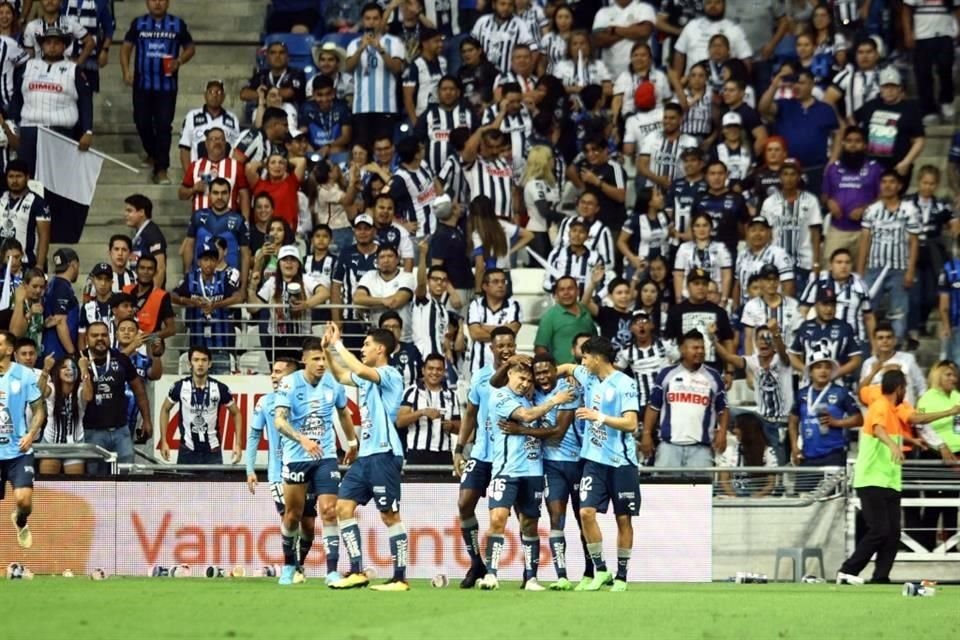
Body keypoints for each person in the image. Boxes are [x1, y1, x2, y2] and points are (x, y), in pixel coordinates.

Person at [836, 370, 960, 585]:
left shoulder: (893, 409)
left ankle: (881, 576)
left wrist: (911, 442)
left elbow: (899, 426)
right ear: (900, 388)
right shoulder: (880, 405)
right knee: (880, 529)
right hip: (871, 478)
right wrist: (894, 445)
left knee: (893, 533)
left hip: (889, 478)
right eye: (905, 389)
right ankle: (847, 571)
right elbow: (877, 428)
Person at [320, 322, 408, 591]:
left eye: (367, 344)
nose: (363, 348)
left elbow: (356, 369)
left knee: (389, 515)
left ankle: (400, 577)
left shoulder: (390, 374)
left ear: (380, 349)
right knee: (342, 508)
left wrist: (338, 344)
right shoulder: (367, 377)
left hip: (385, 453)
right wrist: (326, 351)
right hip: (365, 455)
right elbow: (340, 376)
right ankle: (357, 571)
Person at [475, 359, 574, 591]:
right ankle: (491, 574)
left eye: (528, 380)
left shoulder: (531, 396)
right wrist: (555, 401)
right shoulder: (500, 397)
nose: (525, 383)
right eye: (521, 378)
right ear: (509, 374)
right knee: (498, 519)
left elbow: (548, 375)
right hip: (506, 470)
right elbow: (527, 416)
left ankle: (531, 578)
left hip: (534, 471)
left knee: (530, 525)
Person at [271, 339, 357, 586]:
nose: (321, 363)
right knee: (293, 515)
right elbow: (279, 421)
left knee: (330, 511)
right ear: (304, 360)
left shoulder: (333, 383)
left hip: (325, 456)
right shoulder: (289, 383)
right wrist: (302, 440)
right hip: (297, 457)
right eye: (316, 359)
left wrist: (352, 443)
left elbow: (343, 412)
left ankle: (331, 570)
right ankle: (289, 565)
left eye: (324, 358)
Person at [453, 325, 517, 588]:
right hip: (481, 453)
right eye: (500, 346)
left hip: (510, 456)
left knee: (503, 515)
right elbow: (470, 414)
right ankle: (476, 562)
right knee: (464, 503)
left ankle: (506, 571)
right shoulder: (480, 377)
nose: (505, 350)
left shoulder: (522, 373)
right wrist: (459, 448)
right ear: (491, 348)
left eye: (509, 345)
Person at [120, 0, 195, 185]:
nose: (158, 3)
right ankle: (153, 154)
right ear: (147, 2)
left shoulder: (177, 24)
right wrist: (126, 71)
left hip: (167, 87)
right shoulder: (138, 23)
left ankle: (161, 169)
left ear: (168, 3)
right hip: (142, 85)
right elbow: (125, 48)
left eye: (162, 0)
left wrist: (179, 61)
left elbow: (190, 48)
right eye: (153, 0)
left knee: (163, 126)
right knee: (142, 122)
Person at [9, 26, 93, 177]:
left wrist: (87, 131)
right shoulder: (28, 66)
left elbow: (86, 102)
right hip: (29, 131)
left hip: (61, 132)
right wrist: (11, 125)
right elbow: (16, 99)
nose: (52, 46)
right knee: (29, 177)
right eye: (48, 42)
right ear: (42, 45)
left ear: (64, 46)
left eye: (57, 43)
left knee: (58, 179)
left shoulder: (74, 69)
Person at [644, 329, 728, 468]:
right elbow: (653, 407)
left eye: (702, 348)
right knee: (664, 489)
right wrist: (646, 434)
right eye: (695, 348)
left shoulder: (714, 377)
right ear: (682, 349)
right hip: (668, 446)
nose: (700, 351)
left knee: (701, 490)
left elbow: (723, 408)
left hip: (701, 448)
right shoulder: (666, 374)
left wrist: (723, 432)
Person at [857, 170, 921, 344]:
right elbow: (865, 240)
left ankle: (897, 347)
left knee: (898, 311)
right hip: (874, 268)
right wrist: (860, 271)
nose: (887, 185)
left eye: (891, 182)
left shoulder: (909, 210)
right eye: (883, 181)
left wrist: (910, 271)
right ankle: (867, 346)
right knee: (866, 309)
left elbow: (914, 242)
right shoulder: (871, 210)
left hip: (899, 268)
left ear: (899, 186)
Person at [80, 321, 151, 474]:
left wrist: (146, 420)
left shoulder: (121, 359)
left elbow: (139, 390)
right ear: (87, 339)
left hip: (121, 430)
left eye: (104, 335)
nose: (100, 338)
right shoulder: (78, 360)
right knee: (95, 481)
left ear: (110, 337)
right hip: (92, 432)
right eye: (95, 335)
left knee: (125, 480)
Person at [758, 69, 840, 195]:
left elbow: (838, 135)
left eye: (801, 83)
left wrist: (833, 160)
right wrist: (774, 86)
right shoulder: (784, 105)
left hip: (816, 169)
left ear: (812, 84)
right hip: (787, 171)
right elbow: (763, 108)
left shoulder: (825, 109)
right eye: (794, 83)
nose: (796, 86)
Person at [158, 345, 241, 465]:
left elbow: (236, 413)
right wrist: (164, 441)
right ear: (190, 363)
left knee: (216, 485)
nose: (200, 364)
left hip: (213, 452)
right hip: (187, 451)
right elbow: (165, 409)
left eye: (204, 360)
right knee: (183, 484)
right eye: (196, 360)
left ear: (210, 363)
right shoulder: (180, 387)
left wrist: (237, 444)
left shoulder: (219, 388)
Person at [0, 330, 44, 548]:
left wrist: (31, 433)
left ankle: (20, 519)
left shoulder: (25, 376)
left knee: (24, 502)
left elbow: (39, 410)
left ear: (9, 350)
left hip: (18, 450)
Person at [788, 350, 863, 475]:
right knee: (803, 493)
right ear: (810, 372)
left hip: (833, 454)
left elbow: (859, 419)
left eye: (827, 367)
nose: (823, 371)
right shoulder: (801, 394)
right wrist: (795, 448)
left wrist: (836, 422)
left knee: (832, 494)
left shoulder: (841, 392)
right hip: (807, 455)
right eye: (818, 367)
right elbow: (792, 422)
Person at [171, 244, 243, 372]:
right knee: (198, 383)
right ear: (199, 262)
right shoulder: (191, 278)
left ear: (216, 262)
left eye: (212, 259)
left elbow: (238, 297)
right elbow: (172, 295)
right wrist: (188, 301)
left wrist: (216, 305)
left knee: (222, 381)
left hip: (220, 344)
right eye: (205, 260)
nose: (209, 263)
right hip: (197, 345)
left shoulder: (223, 278)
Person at [345, 3, 405, 152]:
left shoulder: (394, 42)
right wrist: (360, 49)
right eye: (368, 18)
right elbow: (348, 67)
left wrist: (379, 49)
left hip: (386, 108)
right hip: (361, 108)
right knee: (363, 151)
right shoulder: (354, 44)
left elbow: (397, 68)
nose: (371, 22)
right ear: (363, 21)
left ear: (381, 20)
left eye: (375, 18)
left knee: (384, 151)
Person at [758, 160, 823, 291]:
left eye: (793, 174)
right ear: (780, 177)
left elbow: (815, 234)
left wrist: (816, 262)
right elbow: (766, 234)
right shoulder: (769, 202)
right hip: (776, 261)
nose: (789, 178)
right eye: (785, 174)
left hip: (804, 261)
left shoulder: (811, 200)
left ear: (799, 177)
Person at [854, 67, 925, 182]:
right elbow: (851, 121)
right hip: (871, 166)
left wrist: (906, 162)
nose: (889, 90)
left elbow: (919, 140)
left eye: (893, 87)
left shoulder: (910, 109)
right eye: (886, 87)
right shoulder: (870, 106)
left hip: (897, 167)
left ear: (900, 89)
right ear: (880, 89)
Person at [182, 178, 252, 292]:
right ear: (209, 195)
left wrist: (243, 287)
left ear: (230, 195)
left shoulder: (239, 220)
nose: (220, 197)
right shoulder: (198, 216)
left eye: (224, 193)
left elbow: (245, 255)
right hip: (199, 283)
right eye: (215, 193)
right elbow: (189, 246)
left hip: (229, 285)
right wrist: (186, 275)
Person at [664, 267, 734, 376]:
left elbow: (728, 342)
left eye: (704, 284)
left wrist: (729, 371)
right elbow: (669, 343)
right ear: (688, 286)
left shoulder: (719, 312)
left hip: (713, 370)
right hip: (683, 371)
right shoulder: (675, 312)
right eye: (696, 283)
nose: (700, 287)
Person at [396, 352, 460, 465]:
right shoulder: (411, 392)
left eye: (439, 369)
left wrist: (451, 426)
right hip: (417, 452)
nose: (434, 372)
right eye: (431, 368)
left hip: (444, 453)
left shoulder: (452, 395)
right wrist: (422, 412)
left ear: (444, 372)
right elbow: (400, 422)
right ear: (423, 370)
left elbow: (460, 427)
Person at [788, 286, 863, 379]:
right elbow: (792, 354)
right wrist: (806, 370)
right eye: (825, 304)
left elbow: (856, 359)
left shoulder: (845, 328)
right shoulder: (805, 327)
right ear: (815, 306)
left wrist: (836, 373)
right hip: (809, 384)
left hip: (837, 383)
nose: (829, 309)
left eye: (832, 305)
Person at [904, 0, 956, 124]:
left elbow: (957, 8)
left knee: (946, 68)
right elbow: (906, 11)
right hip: (922, 35)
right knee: (923, 73)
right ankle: (928, 110)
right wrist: (908, 33)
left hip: (945, 33)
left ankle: (946, 101)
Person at [180, 127, 251, 218]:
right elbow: (181, 194)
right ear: (206, 143)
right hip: (201, 224)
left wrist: (245, 222)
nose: (217, 142)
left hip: (228, 224)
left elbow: (244, 196)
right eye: (213, 139)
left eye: (221, 139)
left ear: (225, 143)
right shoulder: (195, 166)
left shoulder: (236, 166)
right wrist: (193, 189)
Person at [672, 0, 752, 75]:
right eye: (709, 2)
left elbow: (745, 59)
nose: (713, 6)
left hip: (725, 86)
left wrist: (742, 83)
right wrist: (677, 81)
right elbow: (679, 53)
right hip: (692, 82)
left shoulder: (735, 29)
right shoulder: (692, 26)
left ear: (724, 5)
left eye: (717, 2)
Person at [467, 268, 523, 372]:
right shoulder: (475, 305)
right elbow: (475, 334)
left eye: (503, 281)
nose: (501, 285)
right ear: (485, 286)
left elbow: (511, 333)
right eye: (495, 282)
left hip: (507, 369)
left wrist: (485, 327)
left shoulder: (514, 306)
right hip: (479, 367)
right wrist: (502, 329)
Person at [38, 356, 86, 476]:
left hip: (75, 445)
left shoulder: (81, 389)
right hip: (51, 444)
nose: (69, 370)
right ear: (58, 372)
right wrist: (45, 369)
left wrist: (85, 370)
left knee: (75, 489)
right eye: (64, 367)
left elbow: (89, 396)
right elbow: (39, 393)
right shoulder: (52, 388)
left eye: (73, 367)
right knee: (47, 488)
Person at [733, 215, 795, 308]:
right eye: (753, 230)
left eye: (762, 230)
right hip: (746, 310)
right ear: (747, 233)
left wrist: (783, 309)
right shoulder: (742, 255)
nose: (757, 234)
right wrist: (736, 306)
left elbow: (788, 285)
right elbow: (737, 284)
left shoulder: (779, 254)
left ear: (769, 233)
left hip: (771, 308)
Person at [739, 264, 803, 355]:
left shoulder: (793, 305)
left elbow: (798, 336)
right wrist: (749, 364)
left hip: (787, 361)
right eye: (767, 279)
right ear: (760, 282)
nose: (771, 283)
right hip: (760, 362)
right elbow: (748, 338)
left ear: (779, 281)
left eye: (774, 279)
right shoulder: (751, 306)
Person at [178, 80, 241, 171]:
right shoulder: (192, 116)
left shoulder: (232, 119)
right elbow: (184, 148)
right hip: (199, 172)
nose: (214, 95)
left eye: (218, 92)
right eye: (211, 91)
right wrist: (190, 176)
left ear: (223, 96)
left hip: (225, 173)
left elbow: (237, 151)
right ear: (205, 95)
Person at [672, 211, 733, 304]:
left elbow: (726, 275)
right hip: (688, 298)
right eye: (697, 225)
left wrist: (724, 299)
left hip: (714, 297)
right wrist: (678, 299)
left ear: (711, 228)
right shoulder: (684, 248)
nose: (701, 229)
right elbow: (678, 275)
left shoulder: (721, 248)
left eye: (705, 225)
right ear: (692, 228)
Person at [859, 322, 927, 405]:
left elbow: (921, 386)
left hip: (904, 412)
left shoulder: (908, 359)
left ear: (895, 340)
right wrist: (873, 372)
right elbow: (861, 393)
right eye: (880, 338)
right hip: (879, 413)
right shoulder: (868, 363)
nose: (885, 341)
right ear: (874, 341)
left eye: (889, 337)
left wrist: (921, 408)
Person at [535, 276, 598, 365]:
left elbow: (596, 341)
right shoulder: (550, 316)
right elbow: (540, 348)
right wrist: (554, 369)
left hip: (589, 370)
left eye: (570, 288)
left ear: (578, 291)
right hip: (562, 373)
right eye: (562, 289)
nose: (566, 292)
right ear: (556, 294)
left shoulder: (586, 311)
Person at [715, 413, 778, 498]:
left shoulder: (768, 452)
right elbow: (724, 481)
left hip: (757, 498)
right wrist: (736, 499)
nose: (734, 430)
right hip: (733, 497)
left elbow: (770, 484)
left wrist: (753, 499)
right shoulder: (730, 450)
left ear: (747, 430)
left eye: (737, 427)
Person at [0, 159, 49, 269]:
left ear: (27, 177)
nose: (14, 180)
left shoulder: (38, 202)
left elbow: (44, 236)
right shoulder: (1, 197)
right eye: (11, 176)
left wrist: (40, 266)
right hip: (2, 264)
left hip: (26, 264)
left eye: (19, 176)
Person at [823, 37, 882, 122]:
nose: (865, 56)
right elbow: (827, 101)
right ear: (855, 55)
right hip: (854, 129)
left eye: (869, 52)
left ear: (877, 55)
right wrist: (841, 124)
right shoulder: (847, 75)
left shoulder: (885, 74)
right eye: (860, 52)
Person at [122, 254, 176, 341]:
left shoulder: (162, 296)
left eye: (150, 269)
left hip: (148, 346)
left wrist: (151, 337)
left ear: (155, 272)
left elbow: (171, 329)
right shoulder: (126, 291)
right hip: (125, 342)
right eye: (142, 268)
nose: (145, 272)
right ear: (136, 270)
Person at [41, 248, 80, 359]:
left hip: (50, 347)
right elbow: (60, 322)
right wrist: (71, 352)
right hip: (58, 351)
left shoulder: (53, 284)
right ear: (74, 264)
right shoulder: (62, 287)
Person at [123, 194, 167, 288]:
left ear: (142, 212)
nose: (125, 214)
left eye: (130, 211)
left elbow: (160, 268)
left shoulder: (152, 233)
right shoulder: (141, 232)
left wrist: (153, 296)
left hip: (149, 293)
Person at [81, 235, 136, 303]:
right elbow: (86, 303)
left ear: (130, 254)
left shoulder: (135, 277)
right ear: (109, 252)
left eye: (124, 250)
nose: (120, 253)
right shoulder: (96, 276)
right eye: (116, 249)